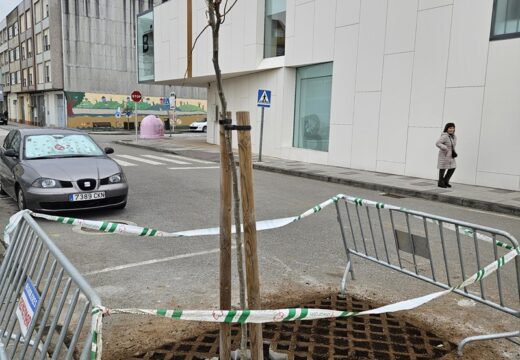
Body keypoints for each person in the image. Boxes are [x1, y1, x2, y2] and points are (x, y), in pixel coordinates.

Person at [436, 123, 457, 188]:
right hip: (444, 155)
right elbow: (437, 143)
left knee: (453, 167)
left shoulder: (454, 136)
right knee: (443, 168)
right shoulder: (444, 136)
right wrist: (444, 148)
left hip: (451, 155)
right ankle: (440, 182)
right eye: (450, 128)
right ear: (447, 128)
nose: (451, 129)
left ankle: (445, 181)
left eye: (453, 128)